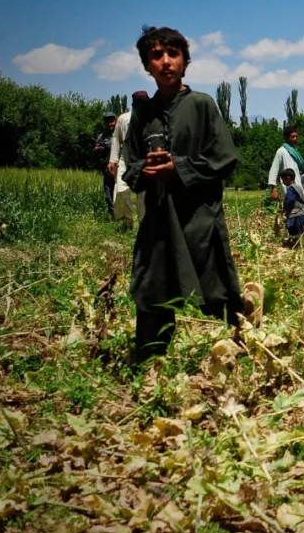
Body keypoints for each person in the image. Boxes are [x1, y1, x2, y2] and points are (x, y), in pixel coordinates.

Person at [122, 26, 243, 362]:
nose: (165, 62)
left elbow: (224, 159)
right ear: (147, 65)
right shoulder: (142, 114)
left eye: (172, 54)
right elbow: (129, 165)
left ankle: (249, 342)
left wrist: (181, 167)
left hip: (199, 218)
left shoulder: (202, 105)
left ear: (185, 61)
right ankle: (148, 362)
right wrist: (146, 167)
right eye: (156, 55)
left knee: (217, 288)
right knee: (151, 289)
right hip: (159, 220)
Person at [108, 93, 147, 231]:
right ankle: (127, 220)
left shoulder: (151, 117)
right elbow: (116, 139)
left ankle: (144, 225)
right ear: (133, 104)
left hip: (144, 158)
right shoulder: (123, 118)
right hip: (126, 157)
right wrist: (113, 160)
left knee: (143, 195)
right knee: (120, 190)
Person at [267, 126, 304, 202]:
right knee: (291, 209)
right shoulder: (281, 151)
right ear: (286, 137)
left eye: (296, 136)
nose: (295, 139)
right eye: (292, 137)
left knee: (302, 207)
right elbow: (274, 170)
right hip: (288, 188)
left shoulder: (295, 152)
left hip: (298, 185)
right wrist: (273, 189)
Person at [94, 112, 118, 217]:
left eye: (112, 121)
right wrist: (98, 150)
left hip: (119, 167)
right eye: (107, 122)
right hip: (106, 168)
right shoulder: (101, 136)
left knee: (120, 191)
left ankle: (122, 214)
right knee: (108, 191)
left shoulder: (120, 133)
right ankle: (112, 213)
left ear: (115, 121)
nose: (110, 124)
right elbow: (95, 152)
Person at [279, 168, 304, 246]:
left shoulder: (291, 189)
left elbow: (289, 200)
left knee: (296, 231)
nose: (282, 182)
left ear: (288, 178)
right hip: (303, 212)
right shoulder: (298, 187)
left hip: (297, 214)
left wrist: (284, 209)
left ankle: (298, 245)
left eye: (283, 180)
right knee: (301, 230)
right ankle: (303, 244)